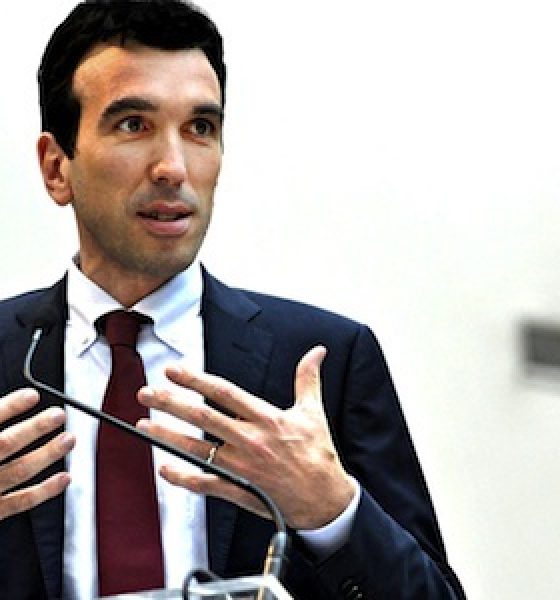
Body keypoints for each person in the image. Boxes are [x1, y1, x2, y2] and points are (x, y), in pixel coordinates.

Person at [0, 1, 465, 598]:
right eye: (134, 124)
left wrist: (332, 513)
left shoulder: (322, 364)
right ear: (56, 167)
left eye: (200, 128)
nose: (173, 167)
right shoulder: (7, 355)